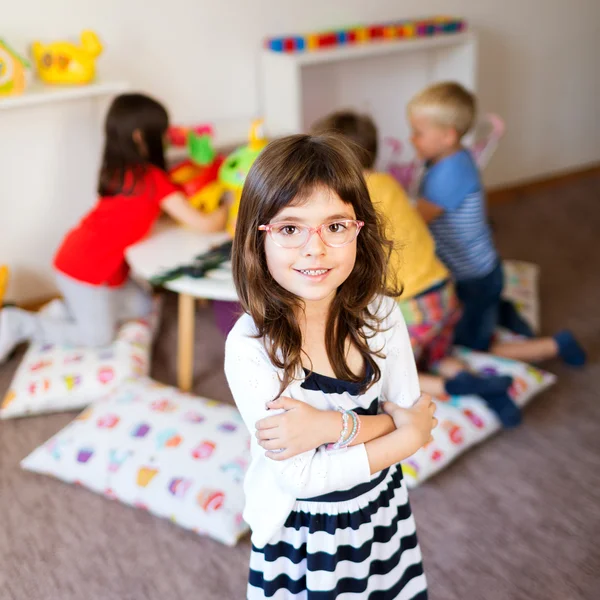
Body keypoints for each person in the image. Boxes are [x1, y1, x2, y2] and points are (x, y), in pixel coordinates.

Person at [225, 133, 433, 598]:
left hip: (381, 508)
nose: (314, 249)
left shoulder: (380, 314)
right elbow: (305, 477)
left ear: (361, 228)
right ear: (256, 239)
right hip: (304, 535)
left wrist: (328, 428)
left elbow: (411, 411)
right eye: (290, 229)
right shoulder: (250, 348)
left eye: (335, 226)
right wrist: (400, 434)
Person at [311, 111, 520, 427]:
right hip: (444, 291)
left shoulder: (345, 200)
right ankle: (490, 391)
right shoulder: (388, 183)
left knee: (382, 375)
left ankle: (452, 387)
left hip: (414, 304)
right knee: (437, 357)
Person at [0, 93, 228, 361]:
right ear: (140, 136)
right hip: (85, 271)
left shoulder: (121, 170)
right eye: (162, 131)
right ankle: (16, 323)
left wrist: (188, 140)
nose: (167, 137)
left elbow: (153, 212)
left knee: (143, 305)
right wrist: (228, 200)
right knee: (98, 337)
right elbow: (204, 224)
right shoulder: (153, 179)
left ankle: (70, 311)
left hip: (89, 260)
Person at [408, 82, 586, 367]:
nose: (411, 139)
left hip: (474, 278)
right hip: (477, 272)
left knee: (468, 346)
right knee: (481, 309)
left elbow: (413, 221)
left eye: (418, 133)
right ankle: (506, 315)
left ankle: (553, 345)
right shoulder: (447, 158)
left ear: (447, 136)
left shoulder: (450, 173)